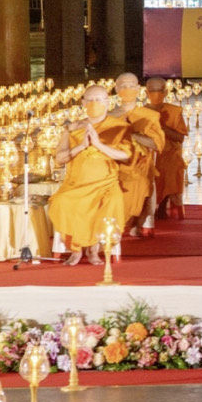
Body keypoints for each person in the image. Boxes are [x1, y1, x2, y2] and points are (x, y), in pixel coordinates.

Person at [48, 85, 132, 266]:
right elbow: (60, 159)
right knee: (61, 201)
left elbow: (125, 156)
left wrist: (98, 144)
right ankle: (76, 249)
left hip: (106, 184)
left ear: (108, 102)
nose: (95, 104)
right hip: (76, 183)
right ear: (83, 103)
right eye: (90, 100)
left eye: (99, 100)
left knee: (112, 201)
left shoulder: (119, 127)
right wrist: (81, 146)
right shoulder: (72, 128)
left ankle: (94, 249)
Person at [110, 73, 166, 238]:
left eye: (131, 86)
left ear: (138, 89)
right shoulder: (109, 116)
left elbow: (157, 144)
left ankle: (131, 223)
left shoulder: (149, 116)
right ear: (116, 89)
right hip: (113, 165)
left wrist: (132, 134)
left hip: (139, 166)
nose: (127, 89)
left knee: (140, 183)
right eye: (123, 86)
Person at [147, 77, 190, 221]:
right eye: (152, 90)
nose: (156, 94)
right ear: (146, 92)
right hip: (147, 153)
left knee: (169, 167)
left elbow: (180, 137)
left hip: (169, 153)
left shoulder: (174, 111)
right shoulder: (140, 112)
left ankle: (162, 204)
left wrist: (161, 127)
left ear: (165, 92)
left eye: (160, 90)